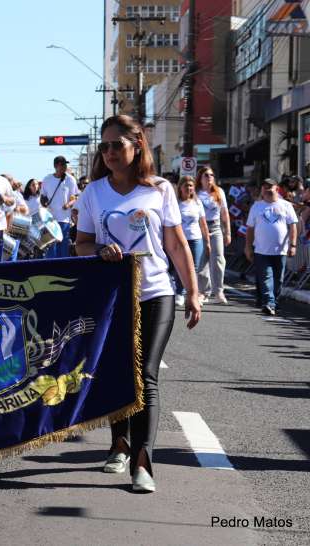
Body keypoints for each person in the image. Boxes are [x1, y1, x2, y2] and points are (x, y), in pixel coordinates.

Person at [75, 115, 200, 493]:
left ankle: (143, 463)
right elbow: (80, 244)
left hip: (156, 292)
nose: (110, 152)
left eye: (117, 145)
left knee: (145, 373)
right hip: (112, 296)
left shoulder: (160, 189)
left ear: (138, 145)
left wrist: (193, 291)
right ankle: (119, 444)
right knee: (118, 372)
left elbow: (176, 244)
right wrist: (99, 249)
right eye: (105, 146)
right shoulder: (94, 192)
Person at [245, 178, 298, 316]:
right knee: (266, 277)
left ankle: (274, 302)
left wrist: (293, 245)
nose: (267, 189)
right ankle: (269, 303)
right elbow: (250, 229)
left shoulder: (286, 205)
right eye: (264, 186)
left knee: (278, 280)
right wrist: (248, 247)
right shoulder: (256, 206)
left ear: (277, 188)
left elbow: (293, 226)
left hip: (280, 251)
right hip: (261, 250)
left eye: (270, 186)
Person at [196, 166, 231, 304]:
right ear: (200, 178)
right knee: (202, 259)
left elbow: (225, 213)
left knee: (218, 258)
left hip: (215, 226)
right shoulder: (196, 192)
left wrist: (227, 232)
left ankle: (219, 291)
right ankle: (203, 292)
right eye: (206, 175)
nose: (209, 177)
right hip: (199, 227)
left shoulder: (219, 191)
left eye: (211, 175)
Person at [174, 176, 210, 307]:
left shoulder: (197, 202)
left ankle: (193, 294)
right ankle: (179, 292)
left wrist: (207, 242)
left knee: (194, 268)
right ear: (180, 188)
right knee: (181, 266)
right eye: (186, 185)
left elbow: (203, 224)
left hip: (196, 239)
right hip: (181, 240)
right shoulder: (176, 203)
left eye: (191, 185)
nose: (189, 188)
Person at [42, 156, 80, 258]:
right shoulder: (47, 179)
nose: (64, 167)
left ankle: (63, 266)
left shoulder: (70, 179)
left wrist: (68, 204)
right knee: (51, 247)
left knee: (63, 248)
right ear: (55, 166)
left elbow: (75, 197)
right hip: (49, 219)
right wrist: (44, 202)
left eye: (65, 164)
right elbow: (43, 196)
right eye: (62, 164)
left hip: (64, 219)